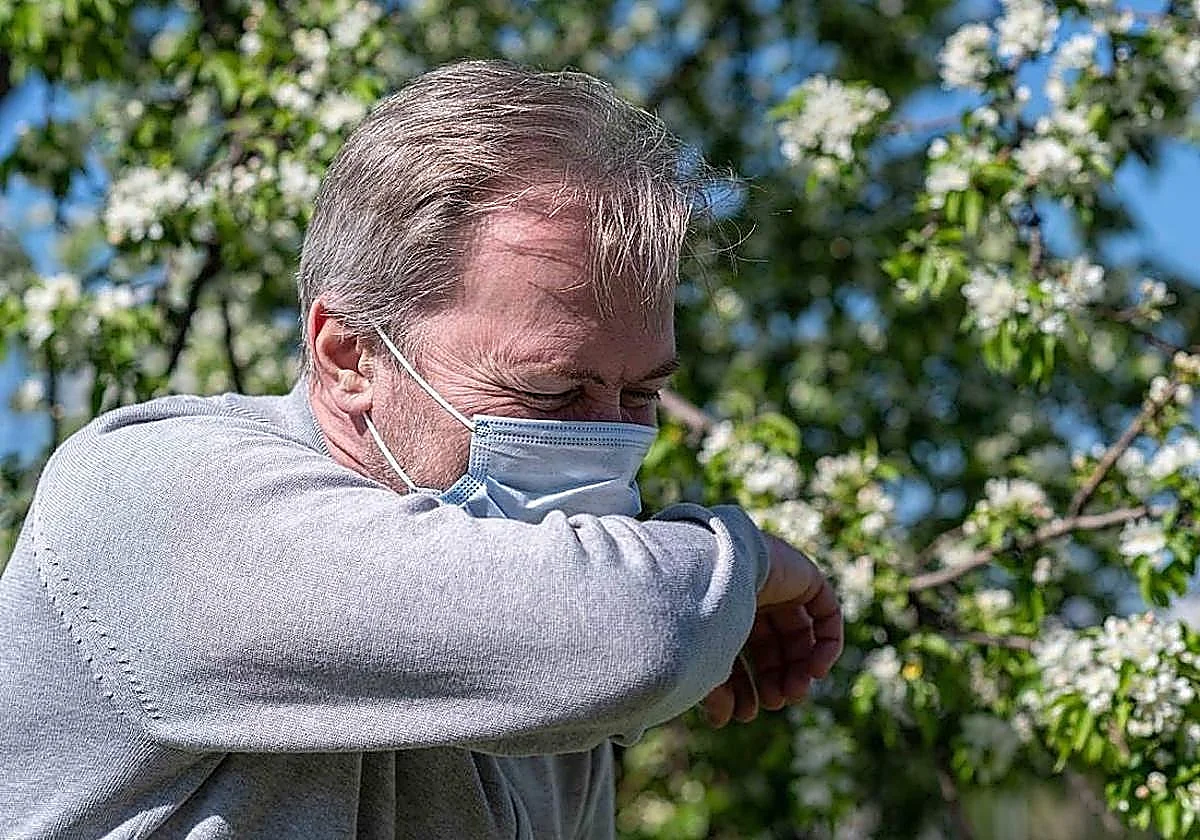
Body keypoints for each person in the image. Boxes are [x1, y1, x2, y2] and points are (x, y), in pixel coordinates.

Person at [0, 59, 842, 839]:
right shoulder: (149, 491)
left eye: (642, 395)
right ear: (350, 355)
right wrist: (741, 566)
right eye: (549, 392)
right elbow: (633, 633)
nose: (607, 438)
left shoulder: (550, 698)